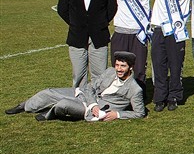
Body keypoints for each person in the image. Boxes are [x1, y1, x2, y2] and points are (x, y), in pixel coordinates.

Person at [5, 51, 145, 121]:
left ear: (131, 68)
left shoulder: (135, 89)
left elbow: (140, 113)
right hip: (85, 96)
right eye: (117, 65)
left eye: (123, 66)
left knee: (63, 104)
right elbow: (90, 87)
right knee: (48, 92)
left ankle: (50, 114)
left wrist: (118, 114)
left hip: (90, 110)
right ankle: (24, 106)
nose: (119, 69)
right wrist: (93, 104)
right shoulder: (109, 72)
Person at [57, 0, 118, 88]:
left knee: (99, 74)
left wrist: (100, 23)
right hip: (76, 35)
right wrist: (75, 23)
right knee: (79, 74)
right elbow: (62, 10)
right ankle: (80, 102)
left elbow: (112, 9)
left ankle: (97, 101)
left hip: (99, 35)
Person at [150, 0, 194, 112]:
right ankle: (159, 98)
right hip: (159, 29)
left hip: (177, 30)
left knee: (175, 66)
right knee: (159, 65)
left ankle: (174, 97)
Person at [109, 0, 151, 99]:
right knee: (119, 67)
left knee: (139, 67)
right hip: (120, 31)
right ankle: (120, 97)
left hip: (139, 33)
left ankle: (138, 97)